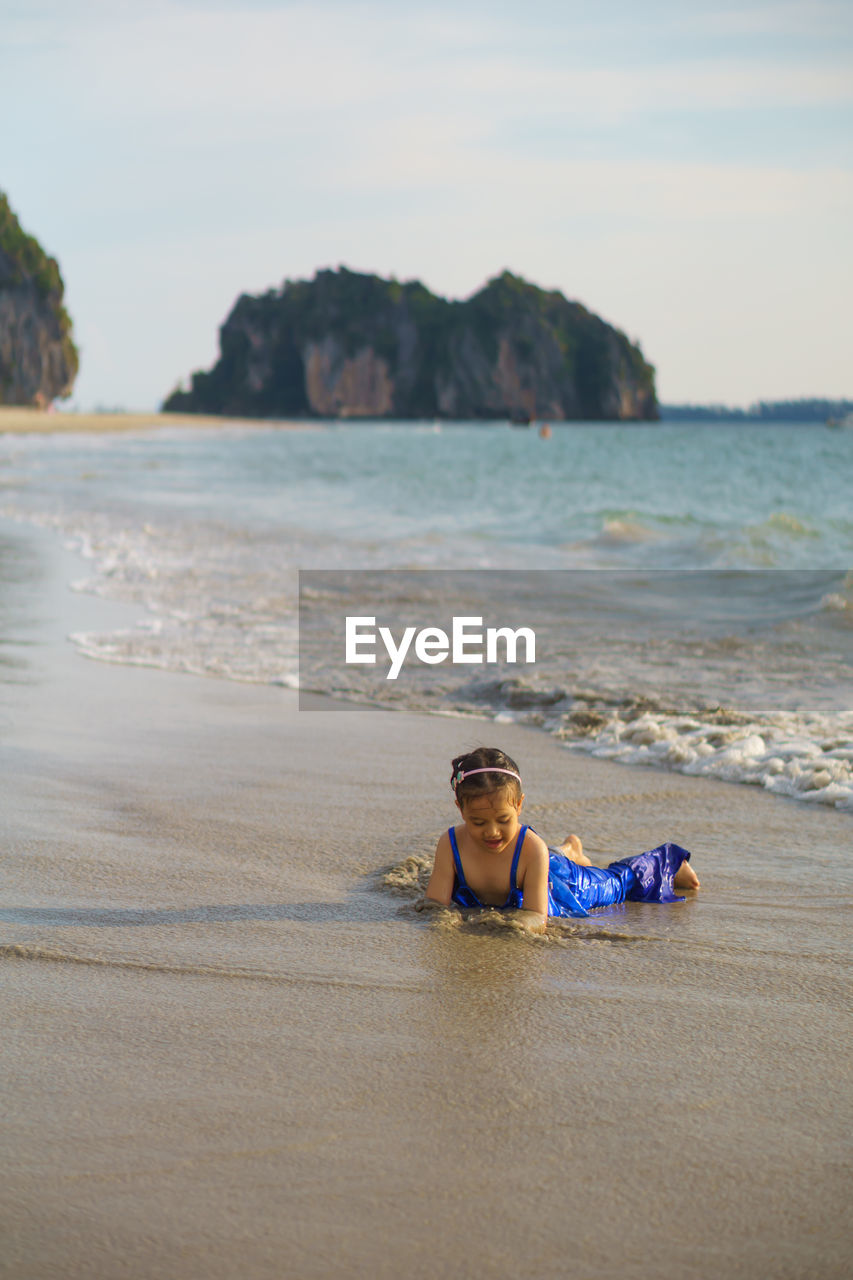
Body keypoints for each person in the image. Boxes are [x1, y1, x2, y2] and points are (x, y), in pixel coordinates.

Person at [425, 746, 700, 927]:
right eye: (478, 822)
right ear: (460, 809)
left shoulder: (531, 849)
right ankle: (569, 848)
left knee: (616, 885)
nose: (492, 831)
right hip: (543, 862)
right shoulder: (450, 845)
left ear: (519, 806)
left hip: (559, 882)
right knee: (552, 855)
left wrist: (504, 925)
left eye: (504, 820)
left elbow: (536, 916)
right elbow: (435, 905)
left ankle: (667, 862)